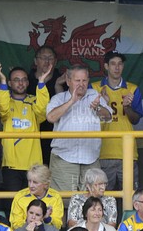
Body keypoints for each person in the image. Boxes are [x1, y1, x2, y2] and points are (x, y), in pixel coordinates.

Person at [0, 62, 50, 216]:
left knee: (36, 206)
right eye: (16, 80)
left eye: (24, 79)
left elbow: (43, 111)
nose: (21, 83)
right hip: (11, 164)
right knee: (12, 205)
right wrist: (3, 82)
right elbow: (3, 110)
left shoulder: (33, 101)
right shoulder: (6, 100)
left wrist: (41, 83)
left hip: (33, 165)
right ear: (11, 83)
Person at [46, 64, 112, 192]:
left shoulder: (94, 96)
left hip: (91, 157)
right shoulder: (58, 98)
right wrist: (71, 101)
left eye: (84, 80)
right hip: (64, 157)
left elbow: (108, 116)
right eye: (77, 80)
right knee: (65, 200)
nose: (81, 84)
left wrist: (98, 107)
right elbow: (51, 117)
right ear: (68, 81)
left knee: (91, 199)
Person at [92, 50, 143, 190]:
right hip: (102, 151)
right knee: (103, 197)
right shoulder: (95, 88)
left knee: (130, 197)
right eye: (113, 64)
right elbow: (88, 118)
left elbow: (135, 120)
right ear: (106, 66)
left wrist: (126, 107)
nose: (117, 67)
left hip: (127, 152)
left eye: (120, 64)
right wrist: (103, 103)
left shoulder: (133, 89)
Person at [27, 45, 65, 166]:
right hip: (30, 131)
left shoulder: (63, 80)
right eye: (43, 58)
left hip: (56, 132)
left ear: (56, 61)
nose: (47, 61)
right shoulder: (26, 80)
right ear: (35, 61)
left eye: (50, 58)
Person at [10, 163, 64, 230]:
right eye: (29, 181)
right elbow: (15, 224)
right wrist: (30, 222)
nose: (31, 185)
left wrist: (47, 218)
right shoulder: (20, 196)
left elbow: (58, 226)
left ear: (46, 184)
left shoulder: (55, 197)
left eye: (35, 182)